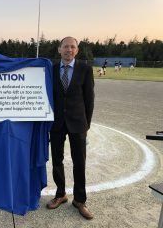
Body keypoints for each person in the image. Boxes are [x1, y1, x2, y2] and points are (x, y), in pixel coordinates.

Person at [47, 37, 95, 220]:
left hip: (78, 123)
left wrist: (86, 124)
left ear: (77, 50)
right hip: (57, 123)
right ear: (59, 49)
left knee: (79, 162)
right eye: (65, 46)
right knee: (57, 160)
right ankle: (61, 194)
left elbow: (89, 99)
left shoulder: (85, 69)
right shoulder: (50, 70)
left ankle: (80, 200)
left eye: (72, 47)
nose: (69, 50)